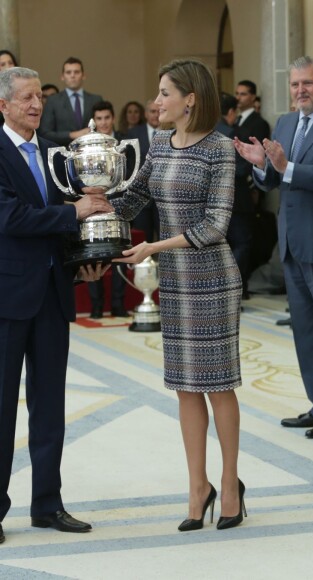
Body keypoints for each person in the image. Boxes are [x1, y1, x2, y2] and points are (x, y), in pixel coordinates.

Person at [113, 59, 245, 531]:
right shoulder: (160, 145)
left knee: (219, 386)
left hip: (212, 278)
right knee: (185, 388)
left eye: (165, 92)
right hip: (176, 281)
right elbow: (132, 198)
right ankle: (198, 487)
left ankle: (230, 487)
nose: (157, 101)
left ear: (190, 99)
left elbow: (215, 225)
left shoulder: (220, 148)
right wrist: (89, 203)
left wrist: (153, 245)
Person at [0, 66, 112, 544]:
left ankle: (47, 503)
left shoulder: (54, 151)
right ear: (2, 105)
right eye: (24, 98)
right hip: (8, 297)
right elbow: (11, 216)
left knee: (50, 406)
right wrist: (73, 213)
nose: (34, 105)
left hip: (52, 294)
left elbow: (76, 207)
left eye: (38, 98)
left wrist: (87, 259)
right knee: (2, 409)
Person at [234, 56, 313, 438]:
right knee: (304, 330)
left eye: (307, 83)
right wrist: (260, 165)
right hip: (292, 242)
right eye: (294, 85)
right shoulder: (285, 123)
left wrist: (285, 168)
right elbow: (273, 180)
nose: (300, 91)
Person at [86, 101, 129, 318]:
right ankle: (96, 305)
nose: (103, 122)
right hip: (94, 206)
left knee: (120, 256)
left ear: (112, 118)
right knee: (95, 257)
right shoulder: (88, 145)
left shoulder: (123, 143)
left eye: (106, 118)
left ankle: (118, 303)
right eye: (99, 118)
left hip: (120, 204)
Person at [230, 80, 271, 299]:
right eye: (237, 93)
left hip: (249, 187)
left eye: (244, 94)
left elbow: (259, 156)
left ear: (253, 98)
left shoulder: (258, 123)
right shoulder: (233, 121)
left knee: (246, 241)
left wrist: (255, 188)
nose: (239, 98)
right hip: (234, 192)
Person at [39, 56, 103, 146]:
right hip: (64, 154)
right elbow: (45, 133)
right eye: (68, 72)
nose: (72, 75)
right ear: (62, 77)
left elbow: (104, 128)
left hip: (91, 152)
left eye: (76, 72)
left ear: (83, 75)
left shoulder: (96, 99)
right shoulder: (53, 101)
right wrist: (72, 135)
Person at [128, 99, 161, 243]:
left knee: (165, 240)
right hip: (141, 197)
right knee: (142, 240)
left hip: (163, 197)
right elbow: (129, 166)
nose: (156, 115)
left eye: (159, 111)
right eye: (153, 111)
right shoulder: (132, 134)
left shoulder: (173, 132)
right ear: (146, 114)